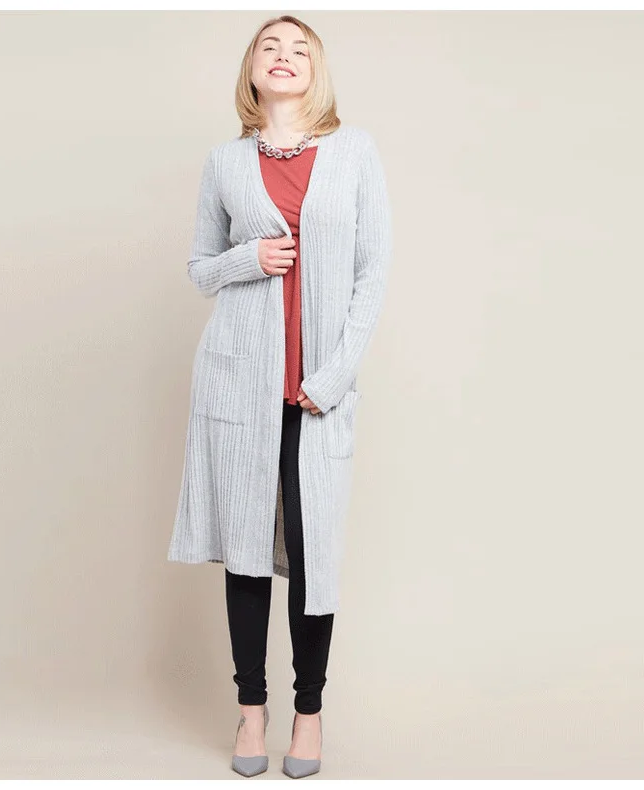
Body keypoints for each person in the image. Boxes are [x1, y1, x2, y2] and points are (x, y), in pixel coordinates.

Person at [167, 13, 392, 779]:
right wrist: (249, 257)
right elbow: (200, 268)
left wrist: (333, 377)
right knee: (246, 554)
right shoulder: (225, 162)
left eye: (301, 49)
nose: (285, 56)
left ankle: (309, 715)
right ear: (253, 70)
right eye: (271, 46)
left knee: (312, 554)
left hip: (316, 393)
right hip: (239, 385)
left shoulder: (353, 152)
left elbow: (372, 274)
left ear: (316, 71)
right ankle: (251, 712)